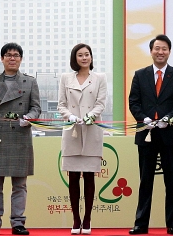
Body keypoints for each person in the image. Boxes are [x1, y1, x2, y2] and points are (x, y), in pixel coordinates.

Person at [128, 34, 173, 235]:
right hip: (146, 134)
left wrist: (169, 119)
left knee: (171, 180)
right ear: (151, 51)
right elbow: (134, 102)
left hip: (169, 134)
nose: (160, 52)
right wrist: (144, 118)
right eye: (157, 48)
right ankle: (140, 223)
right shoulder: (140, 75)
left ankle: (172, 223)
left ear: (169, 52)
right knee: (146, 180)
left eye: (164, 49)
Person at [0, 42, 41, 236]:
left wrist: (29, 118)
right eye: (8, 55)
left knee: (20, 185)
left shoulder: (30, 82)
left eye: (15, 55)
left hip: (20, 136)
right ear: (2, 58)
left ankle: (18, 222)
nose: (12, 58)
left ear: (21, 59)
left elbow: (36, 108)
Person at [57, 43, 107, 235]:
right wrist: (69, 116)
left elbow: (101, 103)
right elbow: (61, 105)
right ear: (74, 58)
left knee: (89, 176)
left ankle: (87, 219)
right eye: (80, 55)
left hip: (92, 129)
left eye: (87, 55)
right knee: (73, 177)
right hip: (72, 130)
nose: (84, 58)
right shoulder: (65, 78)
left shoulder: (99, 78)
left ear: (91, 57)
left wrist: (90, 116)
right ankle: (75, 219)